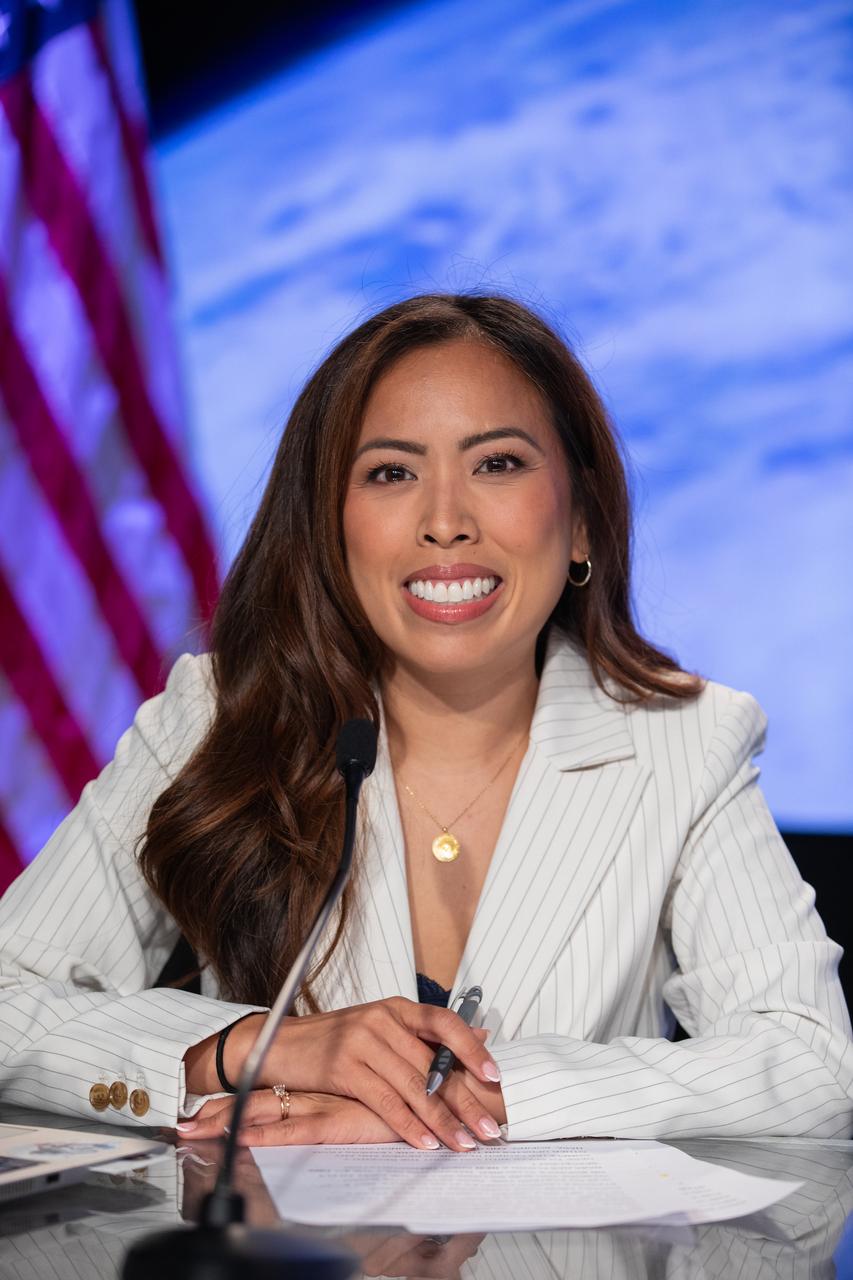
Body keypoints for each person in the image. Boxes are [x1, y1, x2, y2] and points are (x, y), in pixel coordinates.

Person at [0, 294, 850, 1152]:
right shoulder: (216, 721)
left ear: (583, 518)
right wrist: (251, 1047)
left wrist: (477, 1101)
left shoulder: (686, 741)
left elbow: (810, 1062)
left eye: (499, 464)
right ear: (329, 529)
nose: (445, 521)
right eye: (391, 473)